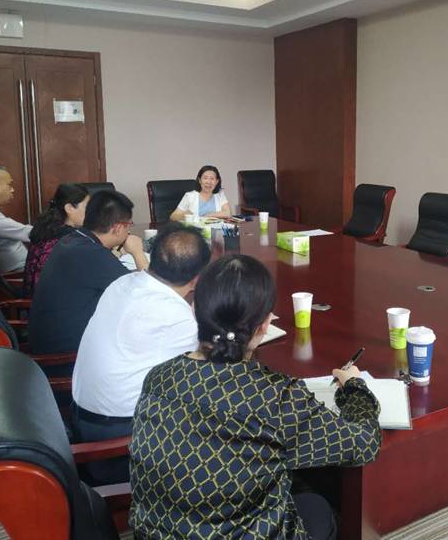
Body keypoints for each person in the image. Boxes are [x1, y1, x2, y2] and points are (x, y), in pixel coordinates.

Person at [130, 254, 382, 540]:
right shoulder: (275, 397)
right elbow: (364, 443)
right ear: (264, 325)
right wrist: (354, 387)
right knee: (317, 507)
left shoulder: (158, 378)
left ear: (194, 308)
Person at [70, 224, 211, 484]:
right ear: (198, 278)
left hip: (83, 418)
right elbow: (202, 377)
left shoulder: (123, 282)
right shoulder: (174, 315)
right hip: (116, 442)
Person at [28, 190, 148, 356]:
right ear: (118, 227)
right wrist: (138, 252)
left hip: (49, 341)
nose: (129, 231)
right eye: (129, 225)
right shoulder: (92, 253)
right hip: (65, 356)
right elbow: (146, 293)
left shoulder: (74, 239)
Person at [22, 183, 89, 297]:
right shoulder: (69, 237)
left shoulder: (47, 226)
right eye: (87, 207)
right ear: (69, 208)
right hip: (50, 299)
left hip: (35, 295)